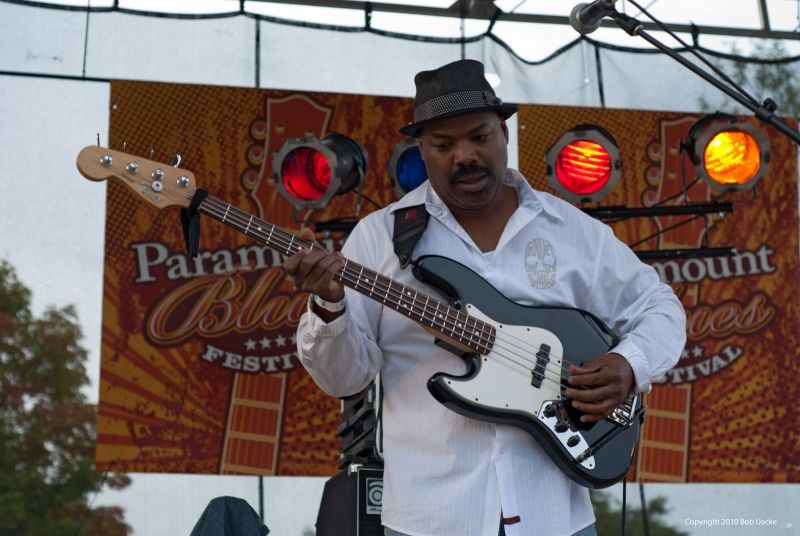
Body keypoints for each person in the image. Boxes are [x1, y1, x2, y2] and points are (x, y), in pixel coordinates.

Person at [285, 59, 686, 536]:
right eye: (443, 145)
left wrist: (628, 364)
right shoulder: (378, 238)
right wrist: (329, 305)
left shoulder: (571, 230)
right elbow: (343, 377)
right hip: (429, 520)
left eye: (480, 136)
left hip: (555, 518)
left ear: (504, 133)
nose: (465, 155)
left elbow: (660, 307)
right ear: (421, 149)